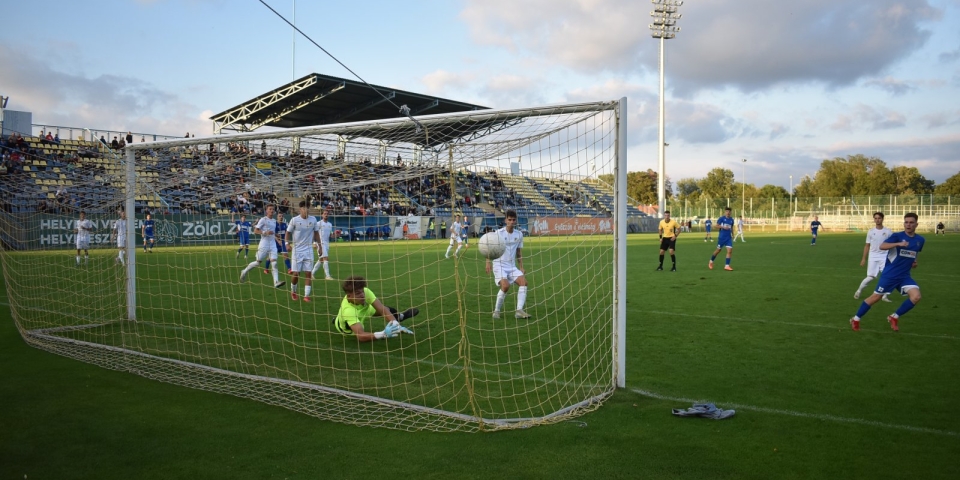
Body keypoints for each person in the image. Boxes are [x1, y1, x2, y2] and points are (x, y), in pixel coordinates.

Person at [850, 213, 925, 332]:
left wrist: (914, 261)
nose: (908, 225)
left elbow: (916, 252)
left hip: (904, 276)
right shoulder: (897, 236)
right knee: (875, 298)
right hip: (890, 275)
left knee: (916, 296)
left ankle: (894, 317)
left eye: (911, 222)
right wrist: (898, 244)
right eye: (906, 222)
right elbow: (882, 246)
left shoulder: (920, 240)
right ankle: (856, 319)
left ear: (916, 224)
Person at [332, 276, 419, 342]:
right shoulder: (348, 311)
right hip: (348, 327)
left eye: (362, 291)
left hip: (364, 309)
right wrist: (383, 334)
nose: (362, 295)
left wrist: (396, 324)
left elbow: (382, 309)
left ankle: (400, 317)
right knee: (359, 327)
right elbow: (361, 336)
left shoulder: (365, 292)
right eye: (358, 293)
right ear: (349, 296)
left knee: (389, 310)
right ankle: (337, 320)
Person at [487, 210, 531, 319]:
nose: (511, 222)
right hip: (499, 264)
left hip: (511, 266)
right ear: (505, 220)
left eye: (513, 220)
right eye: (509, 219)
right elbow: (490, 248)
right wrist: (488, 262)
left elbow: (519, 252)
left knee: (524, 282)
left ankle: (519, 311)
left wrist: (521, 267)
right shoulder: (498, 233)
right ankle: (496, 311)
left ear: (516, 221)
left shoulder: (519, 234)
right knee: (506, 286)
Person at [239, 205, 286, 289]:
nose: (272, 210)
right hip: (264, 243)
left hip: (272, 244)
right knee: (258, 262)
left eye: (273, 209)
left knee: (274, 263)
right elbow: (255, 230)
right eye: (270, 209)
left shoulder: (274, 221)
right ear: (266, 211)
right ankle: (244, 271)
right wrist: (265, 232)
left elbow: (271, 232)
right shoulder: (263, 220)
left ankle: (276, 282)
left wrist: (276, 235)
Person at [285, 201, 321, 302]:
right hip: (297, 251)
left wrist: (320, 246)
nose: (306, 210)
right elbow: (287, 233)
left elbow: (316, 233)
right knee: (296, 274)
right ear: (300, 209)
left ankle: (306, 295)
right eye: (304, 208)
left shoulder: (313, 219)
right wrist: (287, 244)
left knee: (308, 273)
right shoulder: (294, 220)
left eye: (308, 208)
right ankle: (293, 291)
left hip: (309, 250)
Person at [854, 212, 893, 302]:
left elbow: (891, 245)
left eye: (879, 218)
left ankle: (884, 296)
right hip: (873, 256)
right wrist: (864, 258)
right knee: (870, 277)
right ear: (874, 219)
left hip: (884, 256)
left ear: (882, 219)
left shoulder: (888, 232)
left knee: (888, 276)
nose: (877, 220)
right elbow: (867, 245)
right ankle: (859, 291)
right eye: (875, 218)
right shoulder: (871, 232)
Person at [311, 210, 334, 280]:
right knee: (326, 258)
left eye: (327, 214)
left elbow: (330, 235)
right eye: (324, 214)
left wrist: (335, 235)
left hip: (327, 243)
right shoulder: (318, 223)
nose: (326, 215)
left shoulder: (330, 224)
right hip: (320, 243)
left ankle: (311, 273)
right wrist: (314, 243)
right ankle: (327, 276)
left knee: (321, 260)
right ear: (322, 215)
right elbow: (314, 233)